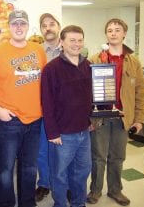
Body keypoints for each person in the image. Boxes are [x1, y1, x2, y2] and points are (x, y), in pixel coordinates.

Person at [0, 10, 47, 207]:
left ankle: (27, 203)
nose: (19, 27)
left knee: (30, 168)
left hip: (34, 119)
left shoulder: (38, 50)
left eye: (22, 23)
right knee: (5, 169)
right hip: (9, 121)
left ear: (27, 25)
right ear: (9, 26)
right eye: (15, 24)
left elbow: (44, 82)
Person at [87, 18, 144, 206]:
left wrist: (139, 120)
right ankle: (95, 191)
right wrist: (87, 117)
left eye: (117, 29)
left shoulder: (133, 62)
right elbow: (85, 91)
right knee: (98, 157)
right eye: (110, 30)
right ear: (106, 34)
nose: (113, 33)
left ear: (124, 34)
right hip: (100, 118)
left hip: (123, 117)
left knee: (118, 157)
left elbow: (140, 92)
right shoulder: (94, 60)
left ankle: (115, 190)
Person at [41, 25, 92, 207]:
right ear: (62, 42)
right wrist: (52, 133)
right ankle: (60, 204)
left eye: (80, 40)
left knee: (82, 172)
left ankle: (79, 203)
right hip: (62, 134)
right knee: (59, 174)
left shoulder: (88, 66)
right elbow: (47, 104)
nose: (76, 44)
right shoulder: (51, 69)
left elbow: (90, 98)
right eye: (72, 40)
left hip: (84, 132)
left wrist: (92, 120)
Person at [35, 12, 61, 202]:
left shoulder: (70, 48)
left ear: (59, 26)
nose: (48, 28)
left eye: (51, 24)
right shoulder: (36, 52)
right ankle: (44, 183)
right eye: (44, 25)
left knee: (63, 150)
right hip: (42, 109)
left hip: (65, 110)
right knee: (42, 150)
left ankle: (63, 184)